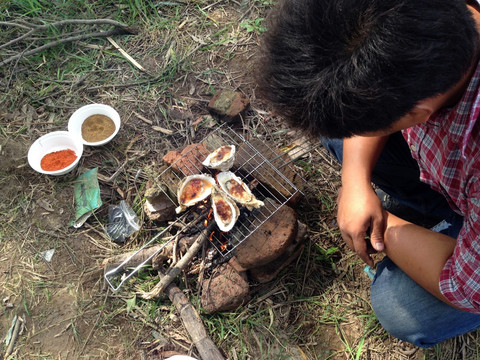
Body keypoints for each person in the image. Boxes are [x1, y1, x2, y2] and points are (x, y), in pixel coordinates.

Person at [257, 0, 480, 348]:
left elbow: (465, 286)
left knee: (401, 307)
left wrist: (385, 227)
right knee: (337, 128)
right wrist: (355, 180)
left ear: (421, 113)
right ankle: (434, 215)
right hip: (457, 175)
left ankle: (446, 223)